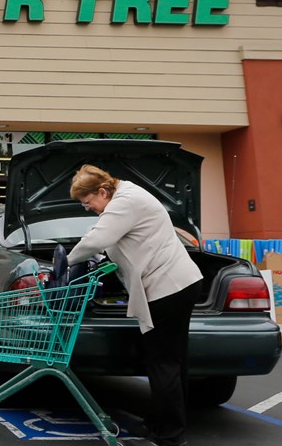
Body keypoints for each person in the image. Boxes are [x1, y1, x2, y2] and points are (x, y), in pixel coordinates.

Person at [66, 164, 202, 446]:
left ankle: (170, 435)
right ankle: (162, 424)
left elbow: (99, 238)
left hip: (169, 287)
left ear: (102, 191)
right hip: (178, 283)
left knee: (162, 363)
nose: (88, 208)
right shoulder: (126, 195)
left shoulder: (124, 202)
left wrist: (64, 263)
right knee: (172, 362)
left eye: (88, 202)